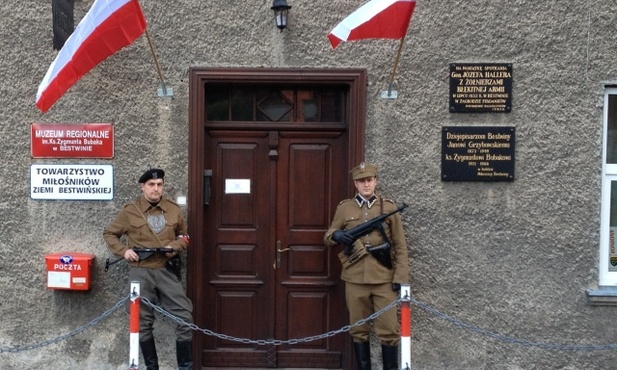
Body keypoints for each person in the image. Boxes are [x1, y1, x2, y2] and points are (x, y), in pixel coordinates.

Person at [103, 168, 193, 370]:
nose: (156, 189)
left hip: (165, 270)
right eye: (151, 185)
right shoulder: (130, 211)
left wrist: (175, 247)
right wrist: (124, 251)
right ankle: (152, 368)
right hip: (140, 271)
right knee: (142, 323)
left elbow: (184, 236)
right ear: (142, 187)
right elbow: (109, 233)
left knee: (185, 317)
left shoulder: (173, 210)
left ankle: (185, 367)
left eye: (159, 185)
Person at [324, 162, 409, 370]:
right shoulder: (345, 208)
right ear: (355, 183)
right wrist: (336, 235)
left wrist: (400, 278)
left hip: (383, 279)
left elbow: (400, 246)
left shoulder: (388, 208)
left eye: (369, 180)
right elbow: (328, 236)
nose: (366, 185)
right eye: (362, 181)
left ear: (375, 181)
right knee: (358, 329)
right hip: (355, 279)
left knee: (389, 330)